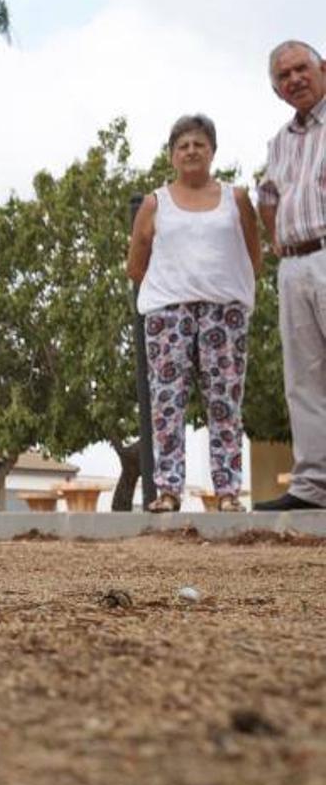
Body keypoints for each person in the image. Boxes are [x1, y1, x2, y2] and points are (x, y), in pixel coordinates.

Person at [126, 114, 261, 512]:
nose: (191, 151)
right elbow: (136, 264)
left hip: (225, 313)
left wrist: (222, 287)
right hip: (168, 313)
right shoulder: (155, 203)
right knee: (167, 403)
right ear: (172, 155)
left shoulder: (236, 199)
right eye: (182, 145)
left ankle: (228, 492)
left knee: (225, 402)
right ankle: (168, 491)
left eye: (199, 144)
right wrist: (175, 286)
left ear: (212, 151)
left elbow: (254, 256)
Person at [253, 40, 326, 511]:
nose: (295, 79)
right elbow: (268, 195)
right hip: (294, 265)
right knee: (303, 378)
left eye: (302, 68)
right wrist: (275, 235)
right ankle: (314, 486)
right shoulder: (279, 141)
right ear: (277, 90)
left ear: (323, 69)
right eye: (284, 76)